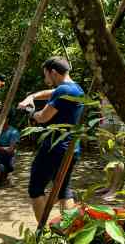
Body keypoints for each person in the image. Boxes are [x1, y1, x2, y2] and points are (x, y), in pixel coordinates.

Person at [18, 57, 84, 223]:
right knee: (63, 190)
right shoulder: (76, 88)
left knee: (36, 188)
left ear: (53, 72)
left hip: (54, 148)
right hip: (72, 148)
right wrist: (32, 96)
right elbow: (52, 93)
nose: (45, 78)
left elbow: (43, 117)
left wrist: (30, 113)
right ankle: (70, 229)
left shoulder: (63, 90)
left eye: (45, 74)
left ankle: (44, 232)